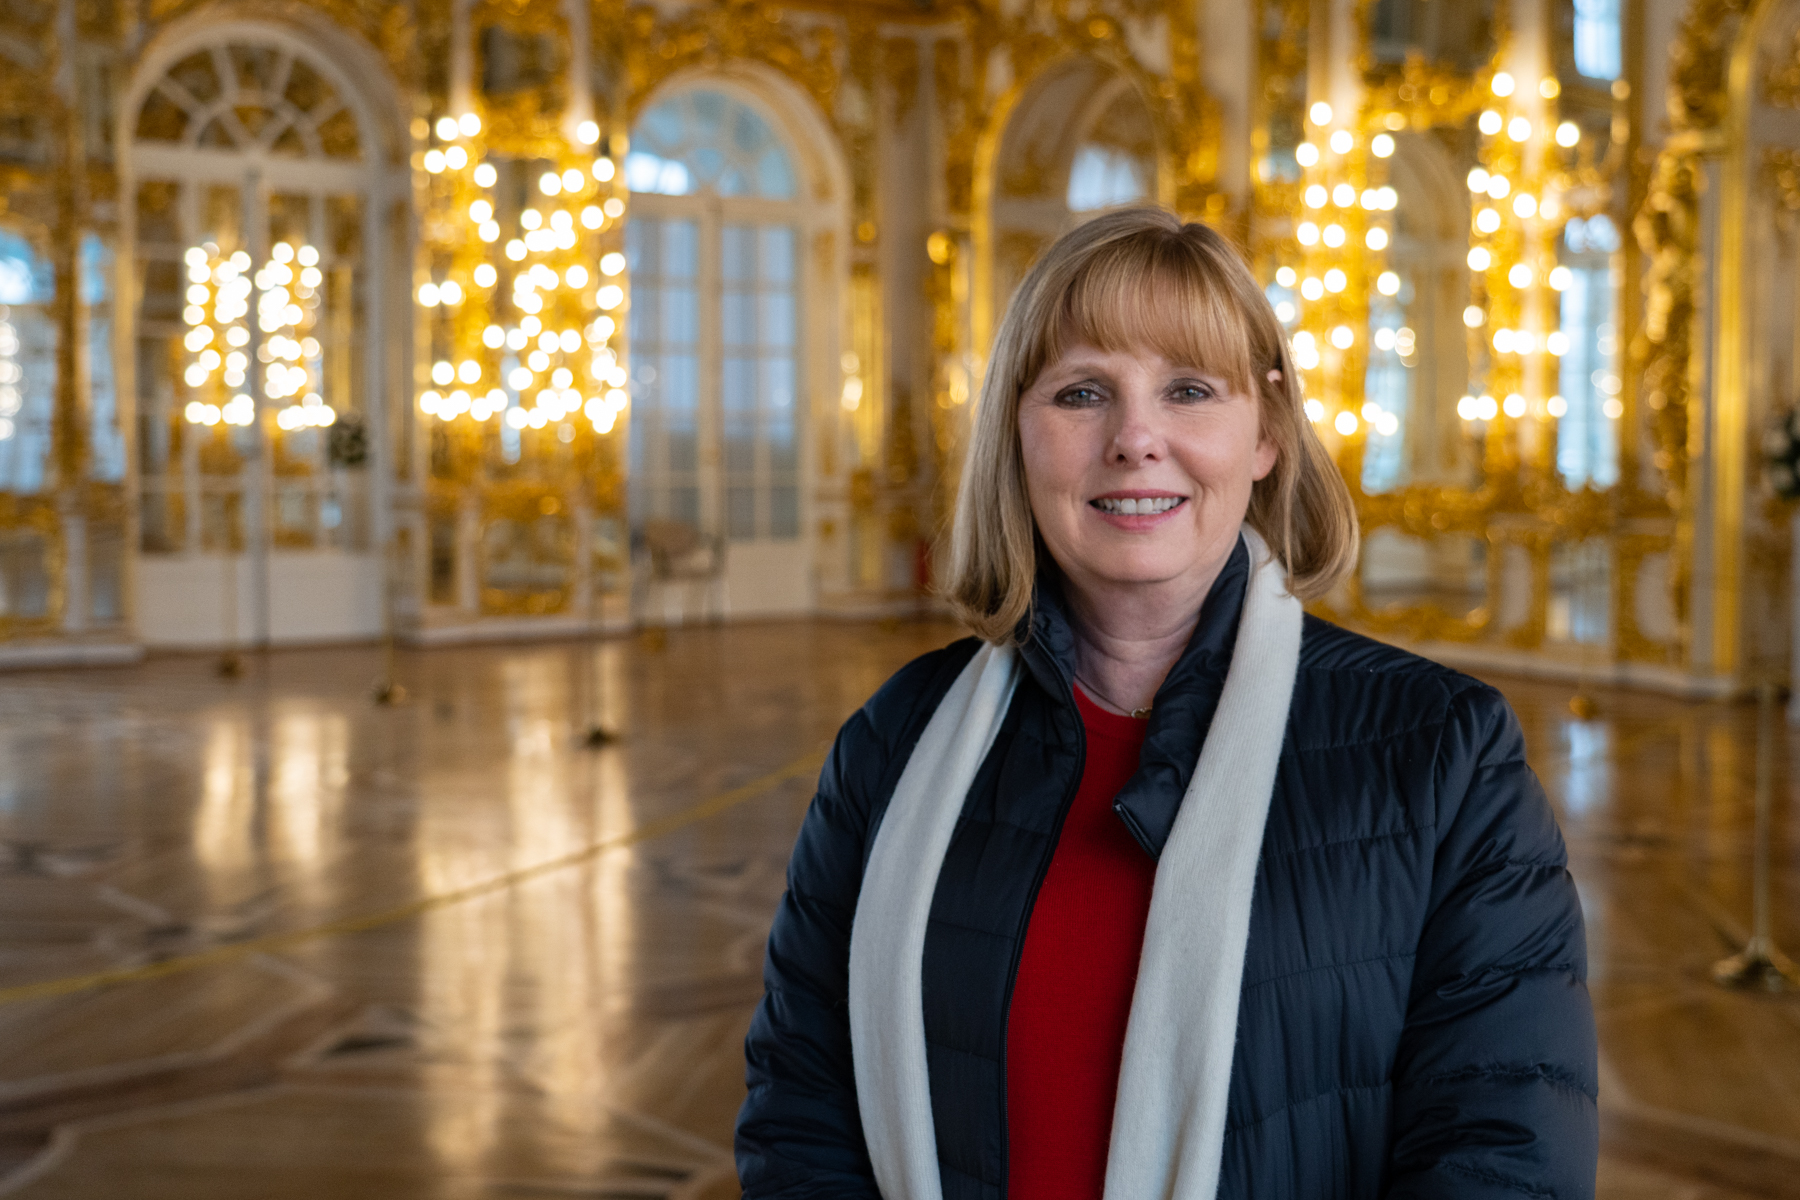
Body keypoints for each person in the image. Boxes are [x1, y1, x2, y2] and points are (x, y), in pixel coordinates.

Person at [736, 207, 1597, 1199]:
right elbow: (803, 1102)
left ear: (1267, 433)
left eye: (1189, 390)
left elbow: (1505, 1150)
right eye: (1081, 393)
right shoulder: (895, 738)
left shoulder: (1445, 752)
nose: (1135, 439)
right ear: (1018, 432)